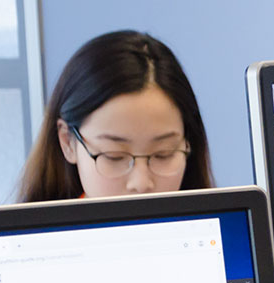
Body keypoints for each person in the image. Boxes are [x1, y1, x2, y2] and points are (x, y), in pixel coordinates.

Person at [16, 30, 212, 202]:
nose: (141, 184)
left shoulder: (228, 230)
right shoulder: (28, 241)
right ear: (67, 142)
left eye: (164, 154)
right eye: (114, 156)